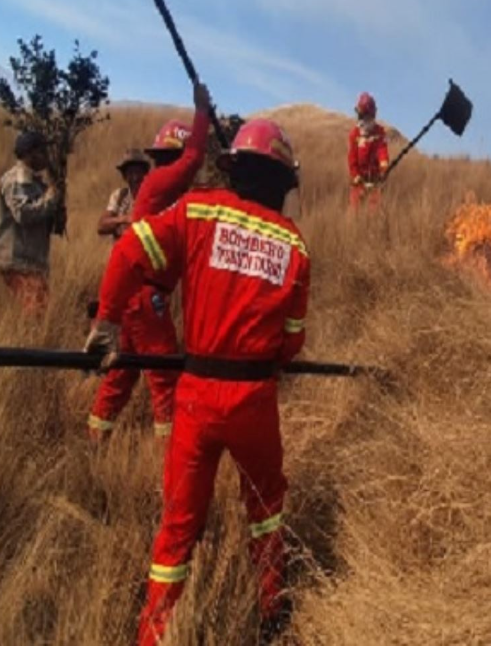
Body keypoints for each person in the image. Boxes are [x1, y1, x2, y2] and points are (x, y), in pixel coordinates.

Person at [86, 117, 307, 645]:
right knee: (266, 505)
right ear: (282, 184)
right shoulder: (294, 245)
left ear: (234, 169)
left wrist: (107, 324)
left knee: (179, 525)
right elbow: (292, 342)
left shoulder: (198, 209)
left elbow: (130, 250)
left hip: (197, 397)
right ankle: (272, 609)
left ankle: (153, 632)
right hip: (254, 399)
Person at [87, 84, 213, 441]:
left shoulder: (169, 195)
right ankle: (169, 451)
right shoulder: (159, 182)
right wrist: (202, 112)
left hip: (135, 294)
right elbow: (192, 160)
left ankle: (96, 436)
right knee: (164, 377)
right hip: (145, 298)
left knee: (122, 372)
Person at [0, 130, 61, 314]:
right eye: (42, 151)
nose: (46, 156)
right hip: (17, 259)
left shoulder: (34, 181)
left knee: (37, 308)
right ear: (30, 153)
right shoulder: (18, 179)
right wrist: (51, 197)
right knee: (35, 311)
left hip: (28, 259)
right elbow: (23, 214)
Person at [347, 91, 389, 209]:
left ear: (371, 115)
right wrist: (356, 176)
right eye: (360, 115)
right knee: (354, 212)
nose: (361, 119)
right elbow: (352, 158)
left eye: (364, 115)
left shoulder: (379, 132)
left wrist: (384, 168)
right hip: (358, 180)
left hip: (375, 180)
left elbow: (383, 151)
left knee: (374, 212)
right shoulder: (354, 134)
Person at [98, 149, 151, 241]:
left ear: (145, 174)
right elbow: (102, 226)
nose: (135, 177)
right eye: (130, 173)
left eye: (138, 172)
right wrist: (124, 219)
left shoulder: (152, 197)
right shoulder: (119, 196)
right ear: (125, 176)